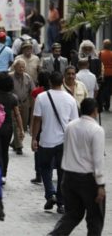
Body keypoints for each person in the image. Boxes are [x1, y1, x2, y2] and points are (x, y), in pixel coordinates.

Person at [48, 98, 106, 236]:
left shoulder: (70, 126)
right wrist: (101, 185)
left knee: (72, 214)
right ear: (95, 111)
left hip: (68, 177)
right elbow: (98, 160)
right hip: (87, 179)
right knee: (95, 218)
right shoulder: (96, 130)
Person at [32, 72, 79, 214]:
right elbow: (74, 122)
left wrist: (34, 138)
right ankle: (61, 202)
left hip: (46, 140)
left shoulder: (41, 97)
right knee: (62, 172)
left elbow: (37, 119)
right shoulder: (70, 99)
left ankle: (50, 194)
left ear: (50, 82)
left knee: (45, 168)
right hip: (64, 141)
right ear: (62, 81)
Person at [9, 58, 34, 155]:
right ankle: (19, 146)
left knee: (23, 125)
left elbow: (32, 91)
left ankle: (14, 143)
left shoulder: (28, 77)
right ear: (15, 67)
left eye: (23, 67)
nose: (21, 68)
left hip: (25, 103)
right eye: (19, 66)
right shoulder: (10, 76)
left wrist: (32, 104)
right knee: (16, 124)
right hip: (13, 104)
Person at [29, 71, 51, 184]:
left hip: (40, 122)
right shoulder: (54, 92)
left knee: (37, 149)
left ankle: (39, 174)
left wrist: (31, 124)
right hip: (51, 123)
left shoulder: (36, 92)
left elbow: (34, 110)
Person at [100, 39, 112, 111]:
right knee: (108, 89)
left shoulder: (100, 53)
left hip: (102, 73)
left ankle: (102, 102)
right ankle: (107, 105)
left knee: (102, 89)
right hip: (110, 74)